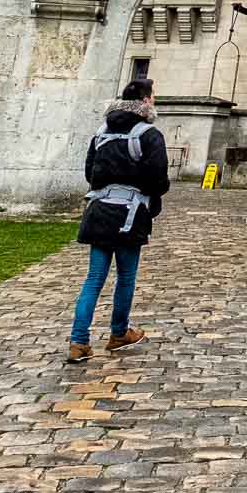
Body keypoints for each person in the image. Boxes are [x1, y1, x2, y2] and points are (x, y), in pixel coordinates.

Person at [68, 78, 170, 363]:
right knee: (125, 277)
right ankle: (118, 332)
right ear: (146, 101)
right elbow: (158, 179)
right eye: (153, 97)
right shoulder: (149, 135)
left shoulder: (102, 133)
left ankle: (79, 341)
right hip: (130, 213)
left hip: (99, 210)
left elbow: (90, 171)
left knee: (93, 279)